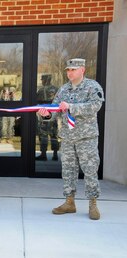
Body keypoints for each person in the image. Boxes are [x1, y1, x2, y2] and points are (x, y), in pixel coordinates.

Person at [37, 58, 104, 220]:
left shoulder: (92, 87)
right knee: (68, 170)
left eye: (73, 70)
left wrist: (72, 107)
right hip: (68, 137)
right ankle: (69, 202)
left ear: (82, 70)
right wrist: (47, 114)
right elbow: (56, 109)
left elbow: (96, 106)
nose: (69, 72)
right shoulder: (63, 89)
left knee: (90, 170)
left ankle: (92, 203)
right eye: (68, 70)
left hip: (86, 137)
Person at [36, 74, 59, 161]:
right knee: (54, 134)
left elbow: (35, 100)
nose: (42, 81)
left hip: (45, 112)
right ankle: (55, 154)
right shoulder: (56, 89)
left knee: (43, 133)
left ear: (45, 80)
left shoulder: (42, 90)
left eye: (42, 80)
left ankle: (43, 154)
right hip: (54, 113)